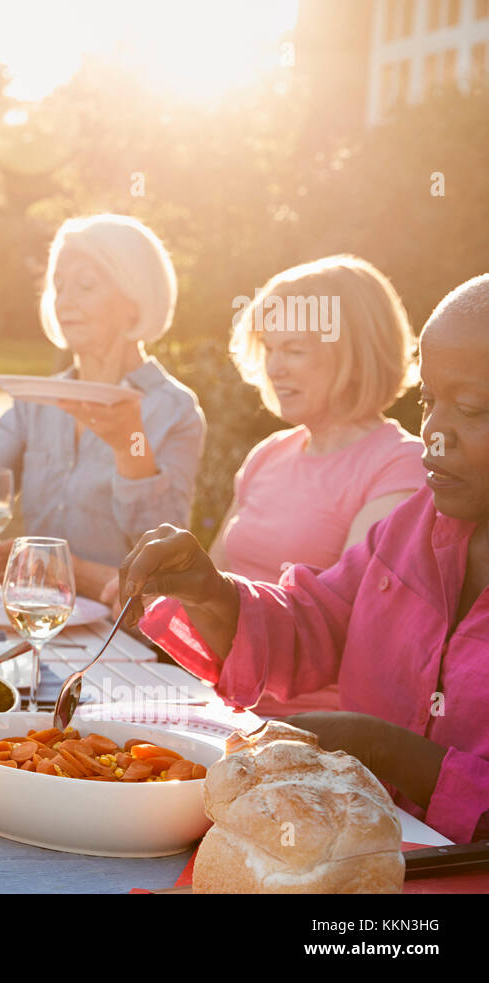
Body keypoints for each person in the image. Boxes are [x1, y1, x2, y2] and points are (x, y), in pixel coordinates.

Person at [117, 273, 489, 845]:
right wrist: (213, 591)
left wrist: (383, 747)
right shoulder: (419, 523)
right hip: (351, 851)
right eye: (428, 401)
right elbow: (318, 621)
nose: (435, 433)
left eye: (470, 408)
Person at [0, 214, 205, 599]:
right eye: (58, 286)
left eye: (85, 285)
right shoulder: (36, 401)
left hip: (122, 632)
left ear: (135, 302)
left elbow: (165, 558)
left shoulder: (174, 410)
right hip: (34, 612)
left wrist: (129, 447)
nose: (65, 300)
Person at [213, 255, 426, 715]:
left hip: (316, 732)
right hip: (225, 704)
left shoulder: (400, 466)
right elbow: (209, 583)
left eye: (294, 350)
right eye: (269, 349)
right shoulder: (269, 453)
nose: (275, 368)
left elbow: (341, 625)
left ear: (353, 355)